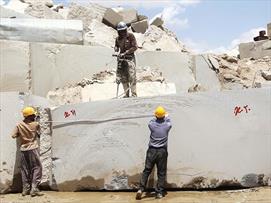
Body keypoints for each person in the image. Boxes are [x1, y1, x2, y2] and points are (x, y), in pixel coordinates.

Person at [136, 106, 172, 200]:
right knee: (161, 172)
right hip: (162, 152)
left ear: (156, 116)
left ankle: (141, 189)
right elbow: (169, 121)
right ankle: (159, 193)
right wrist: (166, 116)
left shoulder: (151, 125)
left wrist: (157, 116)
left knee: (147, 170)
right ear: (164, 116)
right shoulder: (167, 125)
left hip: (151, 151)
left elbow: (151, 121)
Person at [11, 107, 43, 197]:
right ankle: (34, 189)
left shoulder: (19, 125)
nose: (35, 116)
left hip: (23, 150)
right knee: (37, 168)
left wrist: (20, 134)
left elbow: (13, 135)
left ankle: (25, 190)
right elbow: (39, 134)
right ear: (31, 115)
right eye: (33, 114)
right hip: (33, 149)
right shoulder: (36, 124)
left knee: (25, 170)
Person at [114, 21, 138, 97]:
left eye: (123, 31)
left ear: (125, 30)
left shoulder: (131, 36)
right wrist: (116, 48)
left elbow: (135, 47)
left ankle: (134, 94)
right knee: (123, 77)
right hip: (121, 59)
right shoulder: (118, 39)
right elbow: (116, 46)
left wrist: (126, 52)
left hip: (130, 58)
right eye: (120, 31)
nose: (122, 33)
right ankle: (126, 94)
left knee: (131, 76)